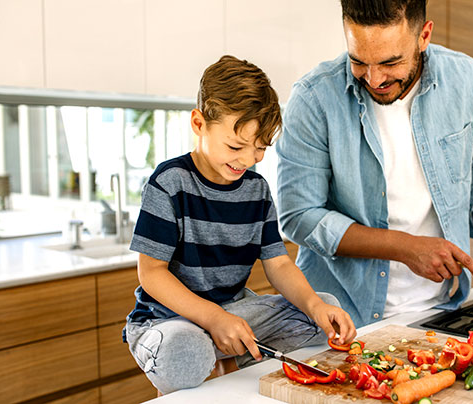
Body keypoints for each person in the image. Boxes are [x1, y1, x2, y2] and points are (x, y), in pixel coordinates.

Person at [275, 0, 473, 327]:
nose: (374, 79)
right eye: (358, 61)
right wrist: (405, 248)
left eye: (390, 62)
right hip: (339, 318)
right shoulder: (313, 98)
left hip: (440, 309)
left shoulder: (467, 79)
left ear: (424, 36)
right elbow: (298, 217)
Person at [123, 55, 356, 395]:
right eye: (235, 146)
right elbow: (152, 273)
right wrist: (213, 319)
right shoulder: (169, 182)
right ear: (199, 123)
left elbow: (277, 263)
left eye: (260, 148)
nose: (247, 160)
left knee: (320, 312)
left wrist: (315, 305)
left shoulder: (256, 189)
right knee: (185, 351)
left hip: (234, 310)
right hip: (168, 319)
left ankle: (224, 355)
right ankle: (216, 355)